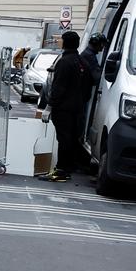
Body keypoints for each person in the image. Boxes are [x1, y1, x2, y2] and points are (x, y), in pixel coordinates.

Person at [44, 30, 92, 182]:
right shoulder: (82, 61)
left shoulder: (64, 62)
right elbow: (89, 85)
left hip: (63, 108)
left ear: (65, 43)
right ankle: (67, 168)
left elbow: (59, 87)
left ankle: (61, 171)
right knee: (71, 138)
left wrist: (49, 106)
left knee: (63, 139)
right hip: (77, 107)